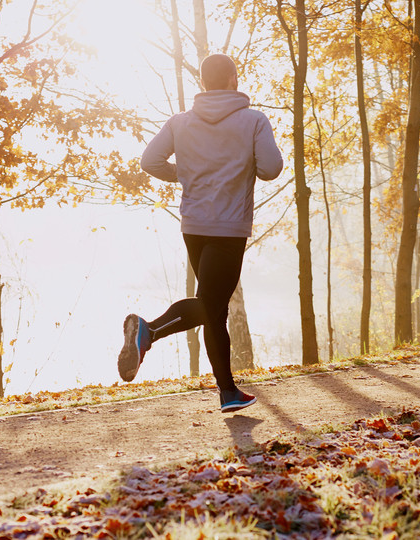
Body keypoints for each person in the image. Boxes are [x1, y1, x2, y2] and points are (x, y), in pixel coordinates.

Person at [118, 53, 284, 413]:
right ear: (233, 80)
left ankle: (228, 393)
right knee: (212, 304)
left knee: (213, 307)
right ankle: (150, 331)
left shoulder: (181, 122)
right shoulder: (253, 121)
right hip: (228, 226)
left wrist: (188, 173)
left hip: (193, 224)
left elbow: (150, 162)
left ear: (204, 83)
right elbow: (271, 168)